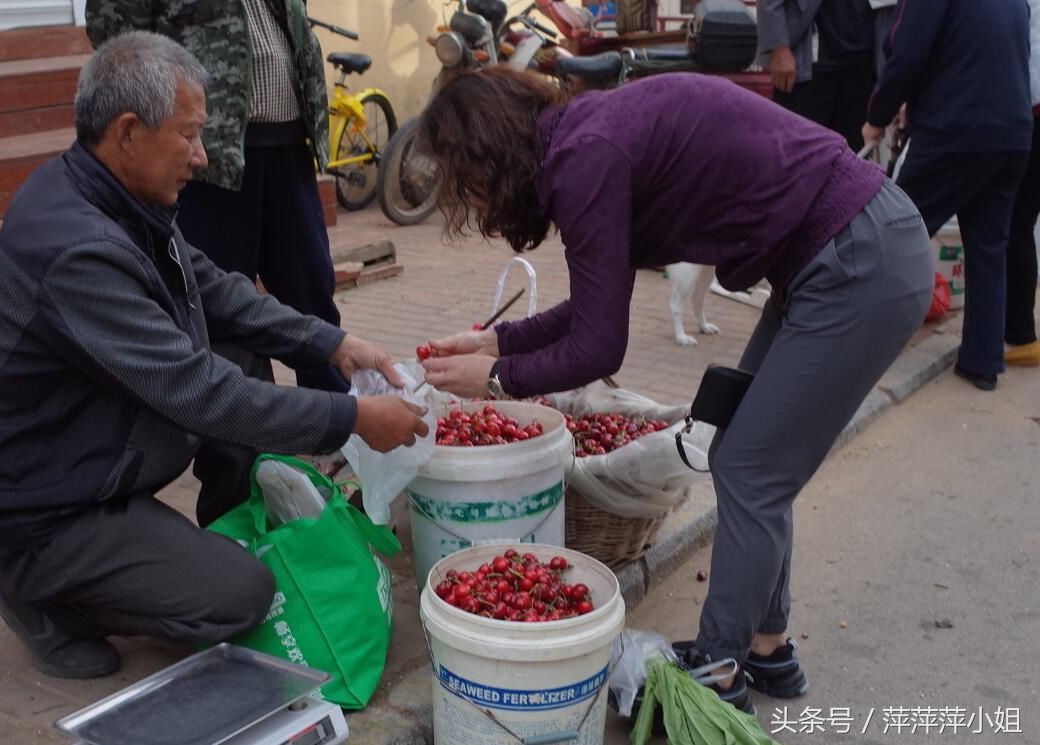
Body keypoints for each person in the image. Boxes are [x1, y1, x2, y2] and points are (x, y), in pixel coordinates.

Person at [416, 68, 933, 713]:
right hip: (835, 252)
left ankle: (717, 673)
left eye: (467, 183)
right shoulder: (583, 142)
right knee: (748, 454)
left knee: (750, 467)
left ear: (485, 156)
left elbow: (601, 348)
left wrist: (496, 381)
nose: (476, 202)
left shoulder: (584, 160)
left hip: (857, 258)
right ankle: (768, 646)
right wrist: (496, 345)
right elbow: (593, 310)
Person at [0, 32, 427, 680]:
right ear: (128, 133)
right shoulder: (76, 248)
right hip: (35, 511)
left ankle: (218, 533)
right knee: (242, 596)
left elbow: (217, 292)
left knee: (235, 347)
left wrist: (333, 343)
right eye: (189, 135)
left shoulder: (114, 194)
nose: (201, 156)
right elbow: (202, 393)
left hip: (82, 452)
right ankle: (42, 597)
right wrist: (354, 417)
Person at [85, 0, 347, 513]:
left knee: (312, 288)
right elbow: (113, 35)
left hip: (288, 138)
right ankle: (245, 473)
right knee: (224, 319)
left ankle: (339, 438)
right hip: (207, 151)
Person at [863, 0, 1033, 390]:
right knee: (989, 247)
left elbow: (907, 53)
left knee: (891, 230)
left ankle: (857, 343)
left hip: (957, 128)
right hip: (1012, 132)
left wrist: (877, 115)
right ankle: (982, 362)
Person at [758, 0, 876, 152]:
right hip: (809, 68)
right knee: (801, 155)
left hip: (860, 63)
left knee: (855, 157)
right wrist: (779, 47)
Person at [1004, 0, 1040, 367]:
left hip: (1030, 110)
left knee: (1015, 220)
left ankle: (1020, 333)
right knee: (1019, 220)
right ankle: (1017, 330)